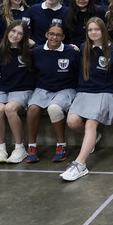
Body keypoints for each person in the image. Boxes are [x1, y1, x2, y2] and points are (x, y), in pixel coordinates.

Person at [60, 17, 113, 181]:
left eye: (96, 29)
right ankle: (93, 138)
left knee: (90, 123)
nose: (93, 32)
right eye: (90, 30)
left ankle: (80, 164)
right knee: (72, 121)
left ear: (103, 30)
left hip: (105, 92)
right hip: (85, 91)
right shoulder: (83, 48)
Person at [25, 24, 80, 163]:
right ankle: (32, 146)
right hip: (43, 88)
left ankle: (61, 145)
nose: (54, 37)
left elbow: (78, 72)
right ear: (46, 35)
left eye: (58, 35)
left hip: (65, 88)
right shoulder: (37, 52)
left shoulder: (71, 52)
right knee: (32, 109)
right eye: (51, 34)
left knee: (54, 108)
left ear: (63, 37)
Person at [0, 20, 35, 164]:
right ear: (8, 31)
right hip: (3, 89)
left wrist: (34, 44)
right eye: (13, 31)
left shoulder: (30, 51)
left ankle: (20, 148)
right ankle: (1, 149)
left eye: (20, 33)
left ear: (25, 36)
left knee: (9, 109)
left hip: (23, 89)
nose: (15, 35)